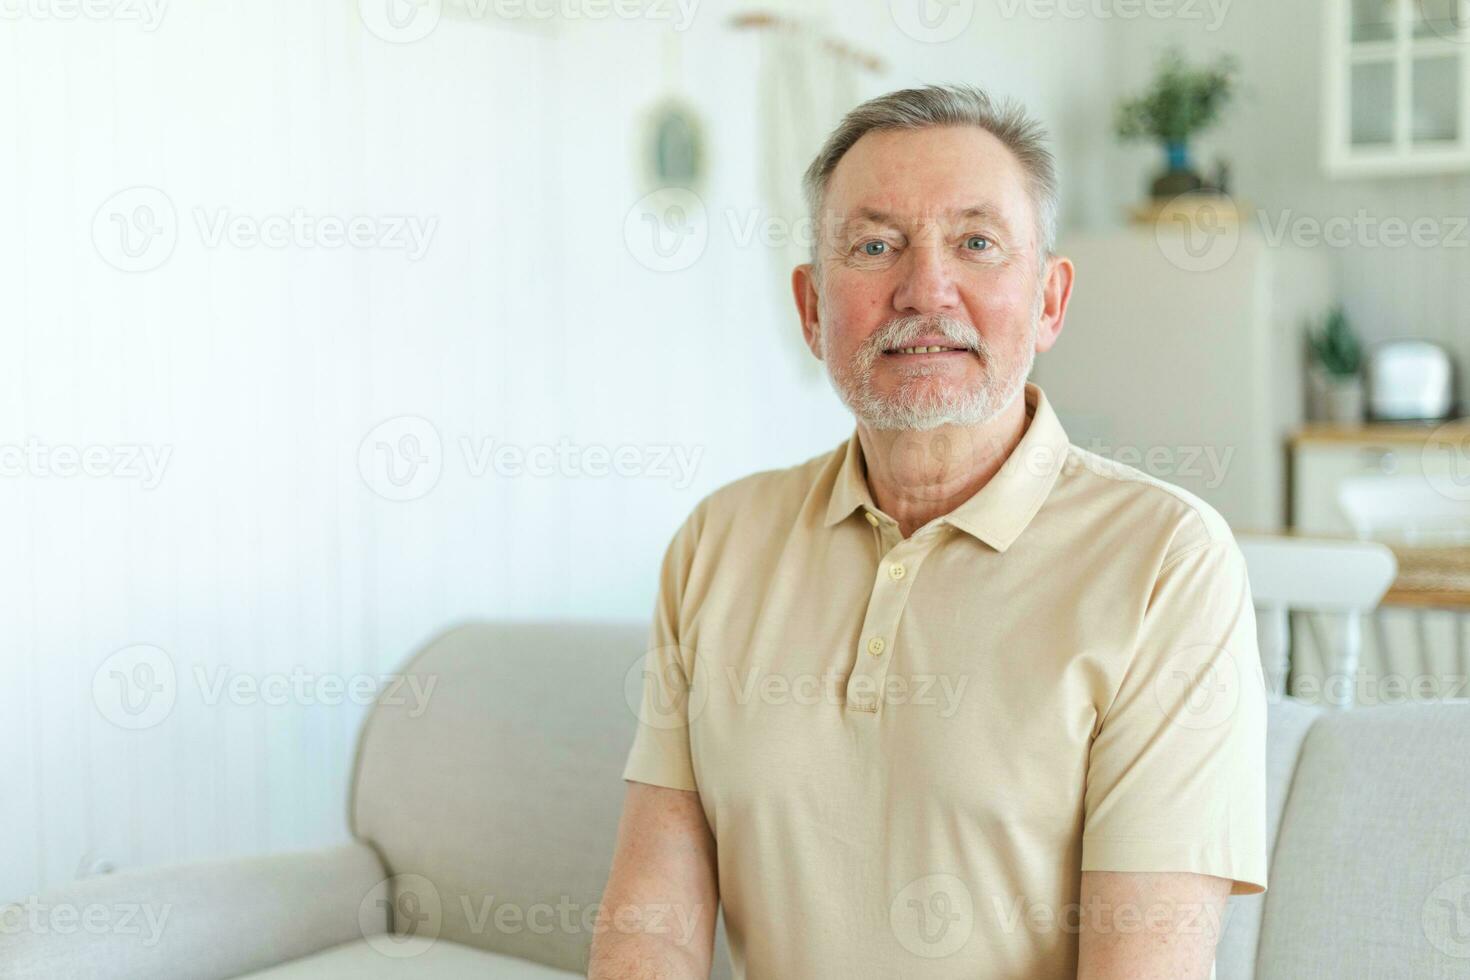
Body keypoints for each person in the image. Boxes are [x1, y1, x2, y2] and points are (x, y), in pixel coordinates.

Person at [588, 83, 1266, 980]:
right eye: (875, 246)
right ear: (812, 309)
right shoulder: (718, 542)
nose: (925, 289)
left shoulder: (1169, 562)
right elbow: (651, 934)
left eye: (977, 244)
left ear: (1051, 301)